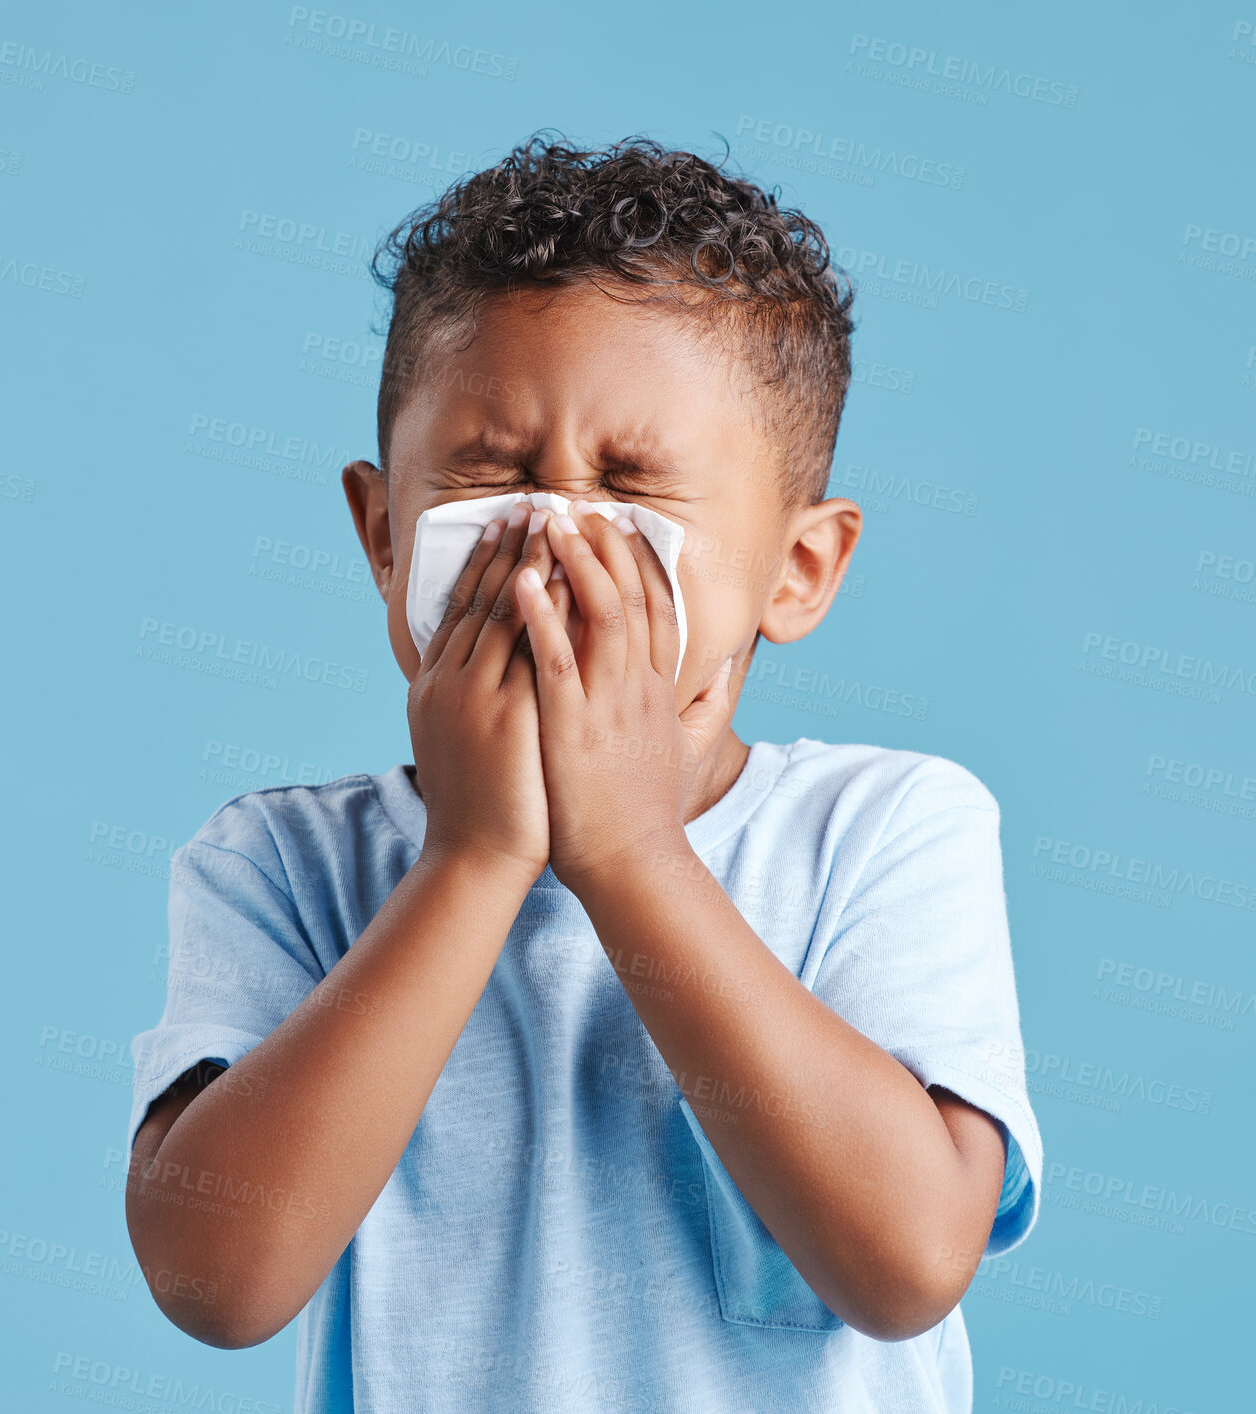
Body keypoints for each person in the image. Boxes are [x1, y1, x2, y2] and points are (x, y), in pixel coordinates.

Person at [125, 131, 1042, 1414]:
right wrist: (475, 856)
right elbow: (215, 1282)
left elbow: (902, 1264)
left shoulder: (883, 830)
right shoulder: (284, 865)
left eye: (631, 484)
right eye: (491, 473)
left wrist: (627, 854)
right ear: (385, 533)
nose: (553, 532)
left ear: (798, 569)